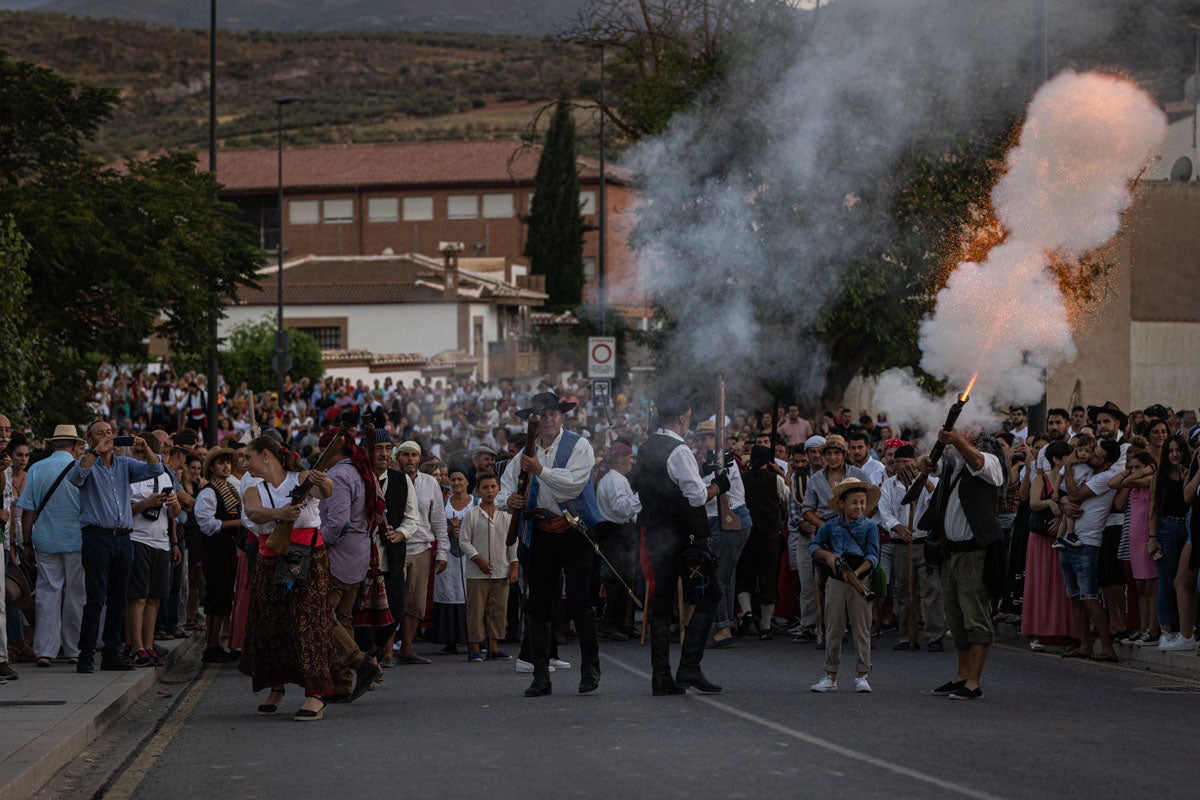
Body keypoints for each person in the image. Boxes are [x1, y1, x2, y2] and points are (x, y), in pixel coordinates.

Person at [499, 390, 602, 697]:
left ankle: (590, 669)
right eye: (541, 416)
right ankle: (541, 675)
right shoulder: (523, 455)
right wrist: (510, 500)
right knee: (538, 605)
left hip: (576, 531)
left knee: (581, 601)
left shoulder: (579, 445)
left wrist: (540, 470)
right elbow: (504, 492)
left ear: (561, 417)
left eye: (552, 414)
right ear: (534, 420)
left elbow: (573, 484)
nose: (547, 420)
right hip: (540, 531)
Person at [630, 398, 726, 696]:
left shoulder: (646, 446)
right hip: (683, 537)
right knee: (710, 595)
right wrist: (718, 485)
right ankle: (689, 666)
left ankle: (661, 675)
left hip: (657, 535)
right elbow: (696, 496)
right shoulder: (679, 450)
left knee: (662, 603)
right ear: (683, 418)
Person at [240, 435, 334, 721]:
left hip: (308, 557)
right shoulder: (252, 484)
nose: (245, 463)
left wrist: (321, 479)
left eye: (249, 457)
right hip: (271, 556)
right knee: (270, 624)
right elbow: (253, 512)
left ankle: (315, 695)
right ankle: (276, 687)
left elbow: (326, 492)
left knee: (308, 622)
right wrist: (279, 513)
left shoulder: (301, 477)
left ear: (266, 455)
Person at [69, 421, 166, 673]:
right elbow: (76, 477)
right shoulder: (86, 463)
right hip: (97, 538)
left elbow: (157, 468)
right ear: (90, 440)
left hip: (123, 538)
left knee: (118, 599)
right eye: (100, 434)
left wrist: (146, 449)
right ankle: (86, 655)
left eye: (110, 433)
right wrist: (95, 452)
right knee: (95, 599)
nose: (108, 437)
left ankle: (112, 653)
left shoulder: (124, 464)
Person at [924, 427, 1006, 701]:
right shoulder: (953, 469)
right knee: (956, 617)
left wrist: (957, 440)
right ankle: (961, 675)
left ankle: (974, 681)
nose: (960, 435)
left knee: (976, 617)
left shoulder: (990, 462)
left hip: (975, 553)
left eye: (967, 434)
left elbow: (978, 462)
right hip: (951, 552)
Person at [317, 427, 385, 702]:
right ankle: (342, 683)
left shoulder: (339, 475)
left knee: (324, 617)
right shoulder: (363, 472)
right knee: (343, 618)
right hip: (358, 554)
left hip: (338, 557)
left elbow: (337, 524)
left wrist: (312, 541)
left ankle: (361, 663)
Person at [18, 425, 85, 668]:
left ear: (52, 444)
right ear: (74, 446)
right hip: (76, 540)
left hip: (45, 540)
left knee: (47, 594)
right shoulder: (80, 468)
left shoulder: (37, 468)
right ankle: (73, 649)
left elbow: (28, 511)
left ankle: (45, 650)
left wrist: (26, 543)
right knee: (76, 595)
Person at [808, 478, 881, 693]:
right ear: (842, 504)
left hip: (860, 579)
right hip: (836, 580)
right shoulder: (831, 525)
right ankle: (830, 675)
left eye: (862, 502)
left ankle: (862, 674)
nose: (858, 507)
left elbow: (873, 555)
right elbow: (814, 546)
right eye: (853, 502)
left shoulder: (870, 526)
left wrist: (856, 574)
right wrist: (829, 557)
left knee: (861, 628)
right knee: (833, 628)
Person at [1059, 439, 1123, 662]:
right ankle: (1085, 645)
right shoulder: (1089, 473)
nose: (1091, 456)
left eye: (1097, 455)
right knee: (1076, 597)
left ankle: (1107, 647)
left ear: (1107, 463)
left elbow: (1075, 495)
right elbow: (1062, 494)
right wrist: (1063, 503)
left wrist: (1067, 467)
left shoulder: (1105, 478)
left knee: (1089, 597)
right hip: (1069, 540)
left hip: (1087, 543)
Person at [879, 445, 943, 651]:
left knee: (931, 590)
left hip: (924, 542)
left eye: (906, 462)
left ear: (915, 462)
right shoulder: (888, 486)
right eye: (898, 462)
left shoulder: (932, 481)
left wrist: (923, 481)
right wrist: (897, 527)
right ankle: (907, 636)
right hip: (901, 544)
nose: (901, 466)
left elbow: (939, 503)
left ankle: (934, 636)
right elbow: (884, 512)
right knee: (905, 593)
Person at [693, 418, 751, 647]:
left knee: (716, 577)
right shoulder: (708, 460)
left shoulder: (725, 459)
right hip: (723, 523)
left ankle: (723, 628)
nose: (700, 443)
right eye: (698, 438)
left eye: (705, 438)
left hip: (729, 522)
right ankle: (725, 623)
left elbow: (706, 489)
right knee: (725, 577)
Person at [125, 435, 182, 667]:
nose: (145, 459)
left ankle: (148, 646)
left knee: (155, 598)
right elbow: (122, 513)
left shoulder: (164, 474)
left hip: (161, 541)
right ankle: (135, 647)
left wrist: (174, 502)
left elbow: (175, 513)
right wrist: (147, 503)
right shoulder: (129, 475)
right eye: (139, 454)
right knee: (137, 597)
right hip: (137, 539)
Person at [395, 440, 449, 665]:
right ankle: (387, 652)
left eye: (413, 455)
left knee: (415, 602)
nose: (409, 459)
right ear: (398, 458)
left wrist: (443, 551)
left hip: (422, 549)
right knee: (393, 600)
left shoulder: (430, 483)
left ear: (419, 459)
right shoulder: (391, 479)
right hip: (395, 547)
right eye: (405, 455)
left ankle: (407, 649)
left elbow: (437, 518)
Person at [371, 430, 419, 667]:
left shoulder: (402, 480)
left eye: (388, 448)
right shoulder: (357, 478)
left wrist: (399, 534)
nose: (384, 453)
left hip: (392, 557)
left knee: (395, 608)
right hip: (361, 559)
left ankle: (376, 650)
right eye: (378, 448)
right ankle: (366, 657)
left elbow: (412, 518)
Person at [459, 474, 517, 662]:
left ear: (499, 489)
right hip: (477, 572)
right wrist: (477, 559)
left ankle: (493, 647)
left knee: (498, 610)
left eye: (493, 486)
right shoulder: (473, 514)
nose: (490, 490)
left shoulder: (506, 514)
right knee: (475, 610)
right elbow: (464, 541)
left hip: (501, 569)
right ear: (478, 491)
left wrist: (514, 565)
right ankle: (474, 648)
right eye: (485, 487)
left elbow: (512, 542)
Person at [193, 448, 242, 663]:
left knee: (224, 596)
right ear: (212, 467)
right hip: (214, 549)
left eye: (228, 463)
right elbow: (207, 524)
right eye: (221, 463)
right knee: (216, 595)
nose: (226, 467)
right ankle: (211, 645)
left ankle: (217, 644)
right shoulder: (208, 492)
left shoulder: (230, 489)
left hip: (228, 547)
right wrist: (236, 523)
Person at [593, 438, 641, 641]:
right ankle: (610, 623)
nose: (633, 461)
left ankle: (621, 622)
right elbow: (621, 508)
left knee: (625, 579)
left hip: (620, 533)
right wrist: (641, 497)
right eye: (630, 457)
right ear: (620, 458)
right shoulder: (613, 479)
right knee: (620, 579)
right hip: (615, 533)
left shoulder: (617, 478)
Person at [737, 445, 786, 640]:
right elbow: (786, 500)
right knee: (768, 576)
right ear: (769, 461)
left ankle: (748, 611)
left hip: (748, 533)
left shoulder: (742, 481)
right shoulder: (776, 480)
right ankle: (765, 627)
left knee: (744, 573)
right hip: (770, 534)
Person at [786, 436, 826, 643]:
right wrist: (802, 522)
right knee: (807, 582)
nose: (816, 456)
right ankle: (809, 624)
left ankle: (830, 625)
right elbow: (793, 506)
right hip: (806, 537)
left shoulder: (834, 475)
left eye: (820, 451)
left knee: (829, 583)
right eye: (812, 452)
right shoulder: (800, 477)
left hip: (829, 538)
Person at [432, 470, 473, 654]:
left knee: (469, 593)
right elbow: (434, 527)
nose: (457, 483)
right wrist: (450, 528)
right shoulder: (443, 504)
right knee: (448, 592)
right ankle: (450, 639)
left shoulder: (476, 503)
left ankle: (471, 637)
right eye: (454, 479)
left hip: (470, 555)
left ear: (467, 482)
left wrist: (464, 531)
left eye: (460, 479)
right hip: (448, 554)